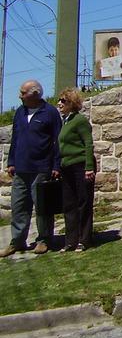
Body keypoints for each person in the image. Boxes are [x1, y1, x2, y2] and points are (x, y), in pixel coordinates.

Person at [1, 80, 61, 257]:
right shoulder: (20, 112)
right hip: (21, 168)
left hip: (41, 167)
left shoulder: (50, 113)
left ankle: (44, 240)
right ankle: (17, 241)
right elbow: (16, 139)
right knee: (19, 206)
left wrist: (56, 165)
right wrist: (11, 161)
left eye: (23, 92)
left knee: (42, 207)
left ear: (34, 94)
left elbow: (58, 141)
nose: (20, 96)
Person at [56, 89, 95, 252]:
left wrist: (89, 167)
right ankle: (70, 240)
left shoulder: (80, 121)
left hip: (80, 165)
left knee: (83, 202)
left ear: (72, 104)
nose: (59, 103)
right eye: (59, 100)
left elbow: (88, 143)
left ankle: (83, 239)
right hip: (67, 166)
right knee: (69, 204)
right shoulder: (65, 121)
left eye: (63, 101)